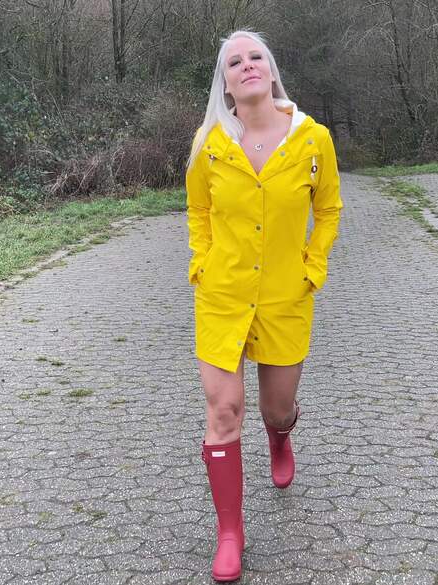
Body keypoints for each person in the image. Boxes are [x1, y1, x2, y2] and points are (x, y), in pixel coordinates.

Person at [185, 29, 343, 582]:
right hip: (222, 294)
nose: (247, 65)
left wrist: (312, 267)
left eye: (257, 57)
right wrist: (201, 261)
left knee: (275, 408)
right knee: (223, 412)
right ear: (225, 83)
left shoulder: (312, 139)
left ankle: (280, 435)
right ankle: (230, 534)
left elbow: (329, 209)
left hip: (283, 295)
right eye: (235, 62)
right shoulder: (209, 142)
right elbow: (198, 210)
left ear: (271, 71)